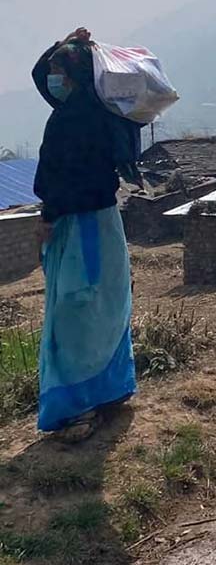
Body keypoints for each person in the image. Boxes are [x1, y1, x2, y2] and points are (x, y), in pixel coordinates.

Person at [32, 27, 141, 442]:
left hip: (78, 226)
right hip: (104, 223)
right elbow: (39, 74)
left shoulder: (69, 121)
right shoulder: (102, 110)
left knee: (74, 312)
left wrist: (47, 217)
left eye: (58, 70)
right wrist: (64, 42)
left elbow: (61, 179)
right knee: (106, 306)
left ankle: (78, 407)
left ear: (73, 74)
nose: (50, 79)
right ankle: (109, 390)